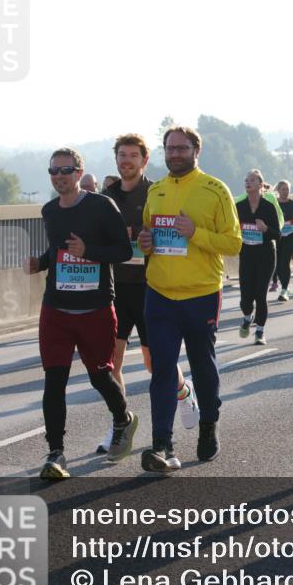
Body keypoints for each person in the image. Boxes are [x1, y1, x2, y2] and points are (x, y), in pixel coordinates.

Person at [23, 147, 137, 479]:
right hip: (56, 308)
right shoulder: (49, 211)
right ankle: (55, 453)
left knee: (100, 376)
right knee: (54, 380)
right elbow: (58, 250)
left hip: (95, 308)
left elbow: (122, 250)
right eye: (53, 171)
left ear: (78, 171)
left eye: (65, 170)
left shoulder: (102, 206)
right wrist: (40, 263)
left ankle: (123, 419)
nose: (59, 176)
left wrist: (89, 252)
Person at [137, 126, 243, 471]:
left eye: (182, 148)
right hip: (160, 294)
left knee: (202, 365)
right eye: (170, 148)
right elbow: (147, 235)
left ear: (197, 151)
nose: (175, 154)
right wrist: (145, 242)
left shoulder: (215, 190)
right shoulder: (156, 190)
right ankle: (162, 445)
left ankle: (209, 423)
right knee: (162, 370)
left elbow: (234, 243)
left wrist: (195, 233)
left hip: (201, 294)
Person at [98, 133, 196, 455]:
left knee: (155, 363)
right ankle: (120, 424)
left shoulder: (156, 192)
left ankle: (183, 392)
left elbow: (170, 234)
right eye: (121, 155)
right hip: (114, 287)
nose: (126, 161)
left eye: (132, 155)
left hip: (148, 287)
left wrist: (146, 237)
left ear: (144, 160)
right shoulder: (106, 197)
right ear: (116, 159)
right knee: (111, 363)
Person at [234, 169, 282, 345]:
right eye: (246, 180)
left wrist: (266, 229)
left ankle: (260, 332)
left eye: (252, 180)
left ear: (260, 185)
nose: (248, 183)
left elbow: (277, 235)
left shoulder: (268, 207)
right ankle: (248, 317)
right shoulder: (239, 207)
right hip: (246, 255)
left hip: (266, 256)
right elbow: (232, 230)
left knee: (260, 296)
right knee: (245, 298)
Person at [273, 179, 293, 300]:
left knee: (284, 263)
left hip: (291, 238)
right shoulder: (273, 204)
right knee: (278, 265)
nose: (285, 191)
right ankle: (285, 286)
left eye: (287, 189)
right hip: (277, 238)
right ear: (278, 190)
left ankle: (284, 290)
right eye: (283, 189)